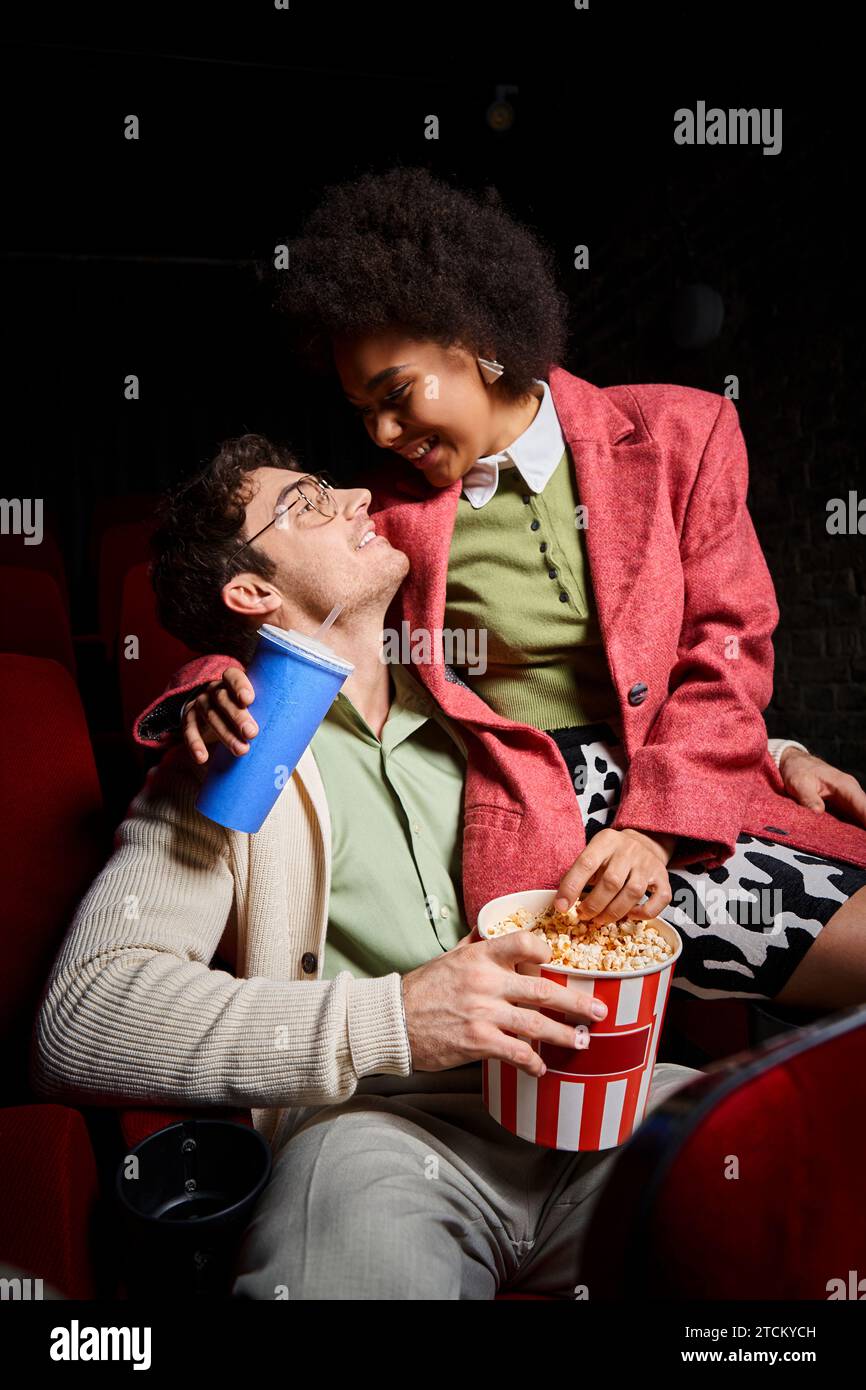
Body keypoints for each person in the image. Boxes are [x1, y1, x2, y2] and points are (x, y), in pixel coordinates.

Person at [134, 167, 866, 1008]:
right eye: (361, 410)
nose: (379, 434)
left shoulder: (682, 435)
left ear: (476, 339)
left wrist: (722, 786)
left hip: (688, 781)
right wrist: (208, 689)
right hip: (545, 816)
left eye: (397, 395)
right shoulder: (393, 520)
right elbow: (283, 611)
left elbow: (729, 649)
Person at [31, 440, 701, 1300]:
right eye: (306, 501)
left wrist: (780, 756)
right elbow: (81, 1020)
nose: (355, 494)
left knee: (779, 1145)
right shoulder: (225, 759)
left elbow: (638, 744)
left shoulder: (484, 703)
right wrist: (395, 1019)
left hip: (593, 1104)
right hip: (376, 1134)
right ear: (253, 592)